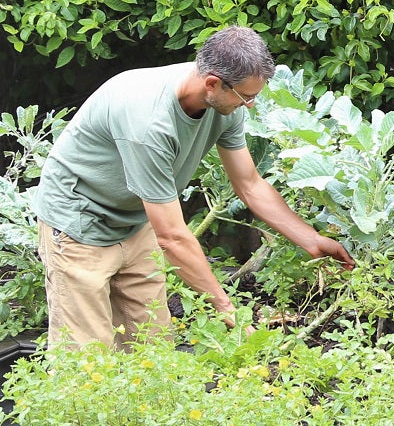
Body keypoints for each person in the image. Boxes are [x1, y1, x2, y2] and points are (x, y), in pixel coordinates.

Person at [33, 26, 354, 349]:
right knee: (87, 359)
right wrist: (226, 309)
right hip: (78, 224)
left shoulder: (225, 104)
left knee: (151, 347)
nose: (251, 105)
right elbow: (172, 236)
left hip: (135, 221)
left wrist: (311, 239)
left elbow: (250, 184)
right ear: (212, 83)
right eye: (246, 96)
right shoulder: (148, 122)